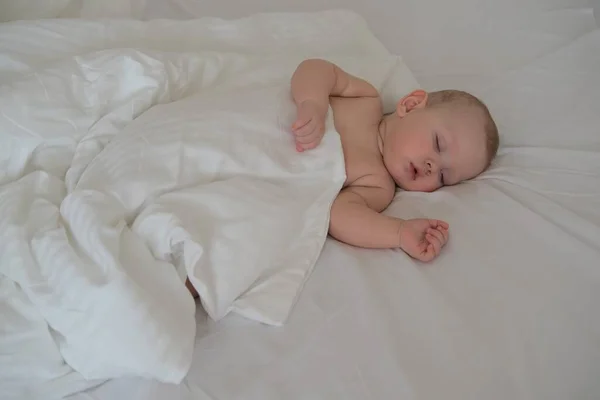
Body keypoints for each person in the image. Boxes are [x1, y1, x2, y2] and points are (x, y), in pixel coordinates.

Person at [290, 58, 499, 262]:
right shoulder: (365, 100)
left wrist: (399, 233)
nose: (432, 167)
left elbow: (340, 217)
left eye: (443, 176)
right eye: (438, 143)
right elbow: (315, 68)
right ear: (411, 105)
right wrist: (313, 102)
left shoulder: (378, 186)